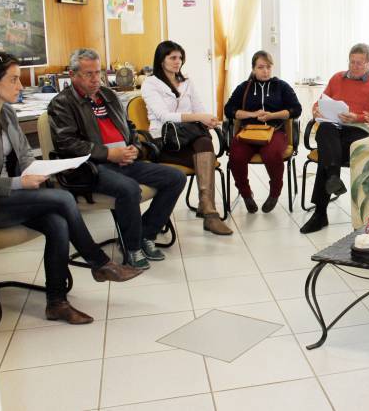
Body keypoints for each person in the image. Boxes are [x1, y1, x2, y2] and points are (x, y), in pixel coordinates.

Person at [0, 52, 142, 324]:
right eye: (14, 80)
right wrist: (19, 182)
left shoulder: (6, 113)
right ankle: (100, 263)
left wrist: (37, 170)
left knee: (57, 223)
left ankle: (56, 303)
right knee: (64, 199)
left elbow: (25, 155)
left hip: (13, 197)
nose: (20, 86)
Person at [48, 48, 186, 270]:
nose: (96, 79)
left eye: (98, 72)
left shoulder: (108, 95)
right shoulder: (62, 103)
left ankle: (145, 235)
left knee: (176, 177)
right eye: (88, 74)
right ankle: (132, 247)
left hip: (124, 160)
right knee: (129, 189)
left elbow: (130, 128)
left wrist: (134, 148)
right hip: (90, 167)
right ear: (73, 75)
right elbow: (67, 144)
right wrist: (108, 153)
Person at [300, 42, 369, 234]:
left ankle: (320, 213)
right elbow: (320, 102)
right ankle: (333, 177)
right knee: (325, 129)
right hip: (335, 129)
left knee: (326, 157)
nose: (354, 67)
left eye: (360, 63)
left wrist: (357, 117)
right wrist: (318, 110)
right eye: (352, 62)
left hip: (360, 131)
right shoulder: (337, 78)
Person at [141, 40, 231, 235]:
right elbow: (164, 116)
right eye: (173, 57)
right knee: (206, 156)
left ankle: (208, 210)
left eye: (180, 57)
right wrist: (199, 118)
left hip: (187, 138)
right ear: (161, 60)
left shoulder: (186, 82)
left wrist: (209, 119)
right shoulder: (150, 84)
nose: (178, 62)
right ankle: (209, 214)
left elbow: (199, 109)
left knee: (205, 141)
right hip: (163, 141)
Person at [224, 50, 301, 213]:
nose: (265, 71)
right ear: (253, 69)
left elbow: (296, 109)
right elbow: (229, 110)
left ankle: (274, 193)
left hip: (275, 131)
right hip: (248, 131)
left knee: (271, 154)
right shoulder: (244, 87)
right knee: (236, 156)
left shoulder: (282, 86)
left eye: (268, 67)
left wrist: (272, 115)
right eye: (260, 67)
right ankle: (246, 194)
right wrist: (252, 114)